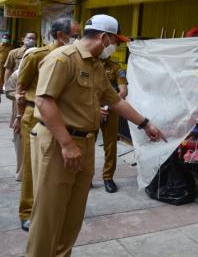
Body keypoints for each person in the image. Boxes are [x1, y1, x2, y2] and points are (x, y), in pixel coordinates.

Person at [25, 14, 166, 257]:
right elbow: (43, 101)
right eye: (115, 42)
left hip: (85, 143)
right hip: (59, 143)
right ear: (104, 37)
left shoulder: (96, 65)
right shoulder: (63, 58)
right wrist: (67, 144)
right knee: (49, 214)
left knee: (73, 215)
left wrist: (145, 123)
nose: (115, 47)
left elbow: (114, 101)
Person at [15, 18, 81, 232]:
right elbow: (21, 88)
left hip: (62, 117)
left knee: (52, 167)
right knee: (32, 166)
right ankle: (27, 211)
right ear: (61, 36)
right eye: (76, 35)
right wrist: (18, 116)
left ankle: (49, 207)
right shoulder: (37, 55)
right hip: (35, 115)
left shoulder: (76, 58)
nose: (79, 39)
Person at [4, 31, 38, 181]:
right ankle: (21, 172)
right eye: (28, 37)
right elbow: (9, 89)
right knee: (19, 140)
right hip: (19, 110)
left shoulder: (40, 73)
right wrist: (18, 96)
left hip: (36, 113)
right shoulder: (16, 72)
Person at [99, 58, 128, 193]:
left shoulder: (115, 67)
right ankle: (85, 179)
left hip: (110, 110)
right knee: (85, 144)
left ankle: (108, 177)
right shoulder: (85, 63)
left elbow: (123, 90)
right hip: (89, 110)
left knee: (110, 145)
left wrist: (109, 105)